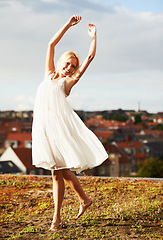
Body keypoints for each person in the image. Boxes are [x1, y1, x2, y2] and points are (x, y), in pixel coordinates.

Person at [32, 15, 108, 231]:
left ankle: (56, 219)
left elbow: (90, 58)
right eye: (68, 64)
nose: (70, 68)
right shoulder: (48, 75)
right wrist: (67, 24)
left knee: (57, 173)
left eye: (73, 67)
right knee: (61, 171)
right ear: (61, 62)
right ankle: (84, 199)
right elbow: (51, 43)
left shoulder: (68, 82)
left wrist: (94, 37)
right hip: (43, 129)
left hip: (59, 131)